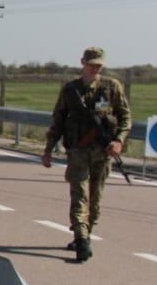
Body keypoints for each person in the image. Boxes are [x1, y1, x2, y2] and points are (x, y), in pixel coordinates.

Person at [41, 46, 131, 263]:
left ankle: (85, 233)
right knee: (79, 195)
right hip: (78, 151)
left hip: (103, 153)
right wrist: (49, 149)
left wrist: (119, 141)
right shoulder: (71, 90)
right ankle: (81, 239)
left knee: (95, 200)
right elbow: (58, 120)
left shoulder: (112, 87)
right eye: (91, 64)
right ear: (83, 62)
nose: (95, 68)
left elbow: (125, 117)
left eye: (99, 65)